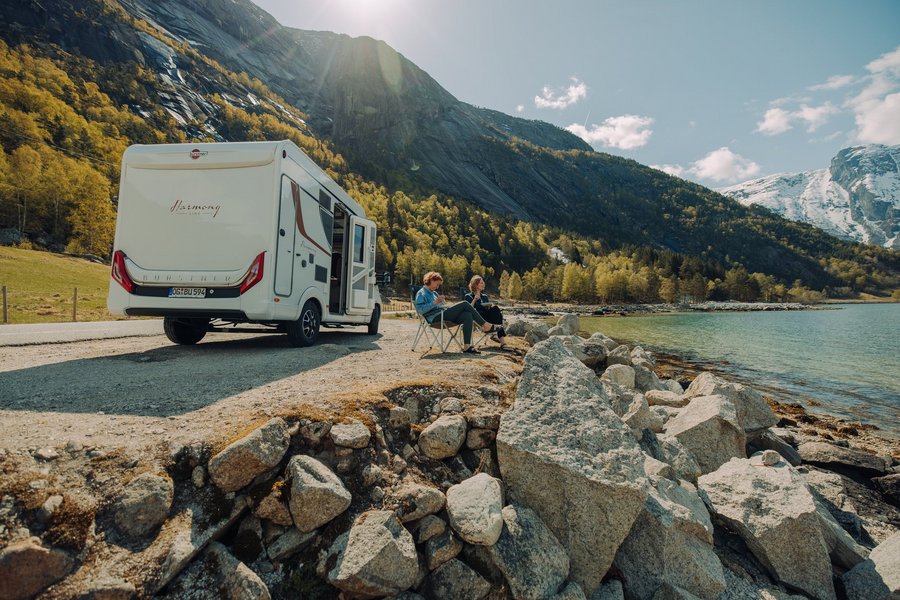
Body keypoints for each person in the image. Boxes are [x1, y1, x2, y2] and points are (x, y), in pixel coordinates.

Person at [415, 271, 499, 354]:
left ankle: (467, 346)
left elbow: (441, 305)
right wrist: (435, 302)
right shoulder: (421, 293)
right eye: (437, 284)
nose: (437, 287)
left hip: (443, 314)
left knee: (467, 315)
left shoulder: (434, 293)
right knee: (465, 304)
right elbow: (420, 310)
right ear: (431, 280)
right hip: (434, 318)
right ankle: (485, 325)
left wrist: (444, 303)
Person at [464, 275, 508, 349]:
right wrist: (474, 299)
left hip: (487, 318)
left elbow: (487, 309)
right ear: (476, 284)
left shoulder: (484, 296)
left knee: (496, 309)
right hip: (478, 319)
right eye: (481, 283)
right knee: (497, 314)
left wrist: (488, 306)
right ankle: (500, 340)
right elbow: (468, 309)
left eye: (483, 282)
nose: (483, 284)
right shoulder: (468, 296)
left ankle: (497, 337)